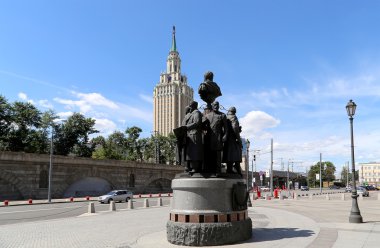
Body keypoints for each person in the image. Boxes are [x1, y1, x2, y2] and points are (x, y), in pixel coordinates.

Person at [203, 101, 227, 173]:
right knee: (209, 154)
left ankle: (217, 170)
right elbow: (203, 127)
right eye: (215, 105)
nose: (216, 106)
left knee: (217, 154)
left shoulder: (222, 115)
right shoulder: (207, 116)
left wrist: (225, 135)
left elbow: (226, 128)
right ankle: (209, 169)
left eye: (217, 105)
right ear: (212, 106)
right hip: (209, 137)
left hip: (218, 137)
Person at [183, 101, 203, 173]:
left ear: (194, 106)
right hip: (190, 135)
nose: (189, 107)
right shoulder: (191, 114)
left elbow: (197, 123)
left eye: (190, 106)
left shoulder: (197, 113)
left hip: (195, 135)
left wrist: (186, 127)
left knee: (194, 152)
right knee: (189, 152)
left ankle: (195, 168)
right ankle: (188, 167)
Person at [223, 107, 243, 176]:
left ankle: (229, 169)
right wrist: (239, 140)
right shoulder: (233, 117)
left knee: (229, 154)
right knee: (235, 155)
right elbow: (235, 128)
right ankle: (233, 170)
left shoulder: (226, 117)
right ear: (234, 112)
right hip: (232, 139)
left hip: (226, 139)